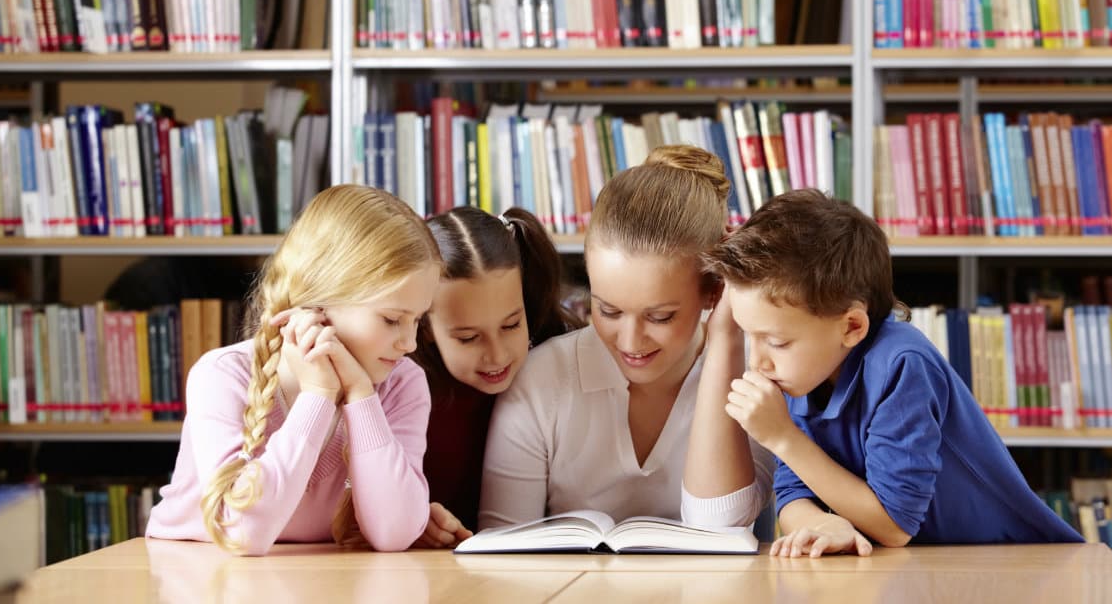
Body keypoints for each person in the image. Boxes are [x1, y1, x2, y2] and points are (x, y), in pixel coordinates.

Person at [702, 189, 1085, 556]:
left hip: (1015, 562)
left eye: (777, 342)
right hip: (920, 567)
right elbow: (792, 492)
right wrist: (822, 524)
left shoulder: (901, 363)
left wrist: (782, 437)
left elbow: (894, 526)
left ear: (852, 326)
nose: (758, 363)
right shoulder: (801, 372)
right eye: (749, 336)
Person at [478, 145, 773, 531]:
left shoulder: (757, 372)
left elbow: (720, 526)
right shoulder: (540, 380)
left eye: (660, 316)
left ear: (715, 289)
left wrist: (725, 337)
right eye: (609, 311)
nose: (631, 342)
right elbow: (499, 546)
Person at [145, 185, 442, 555]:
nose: (410, 343)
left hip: (320, 576)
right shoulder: (220, 376)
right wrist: (318, 395)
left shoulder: (403, 383)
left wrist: (360, 395)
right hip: (195, 570)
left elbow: (394, 534)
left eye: (418, 319)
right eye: (392, 319)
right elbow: (241, 533)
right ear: (319, 303)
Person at [409, 206, 580, 548]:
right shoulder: (402, 388)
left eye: (511, 325)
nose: (498, 355)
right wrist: (410, 515)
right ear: (424, 326)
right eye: (469, 338)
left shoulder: (558, 361)